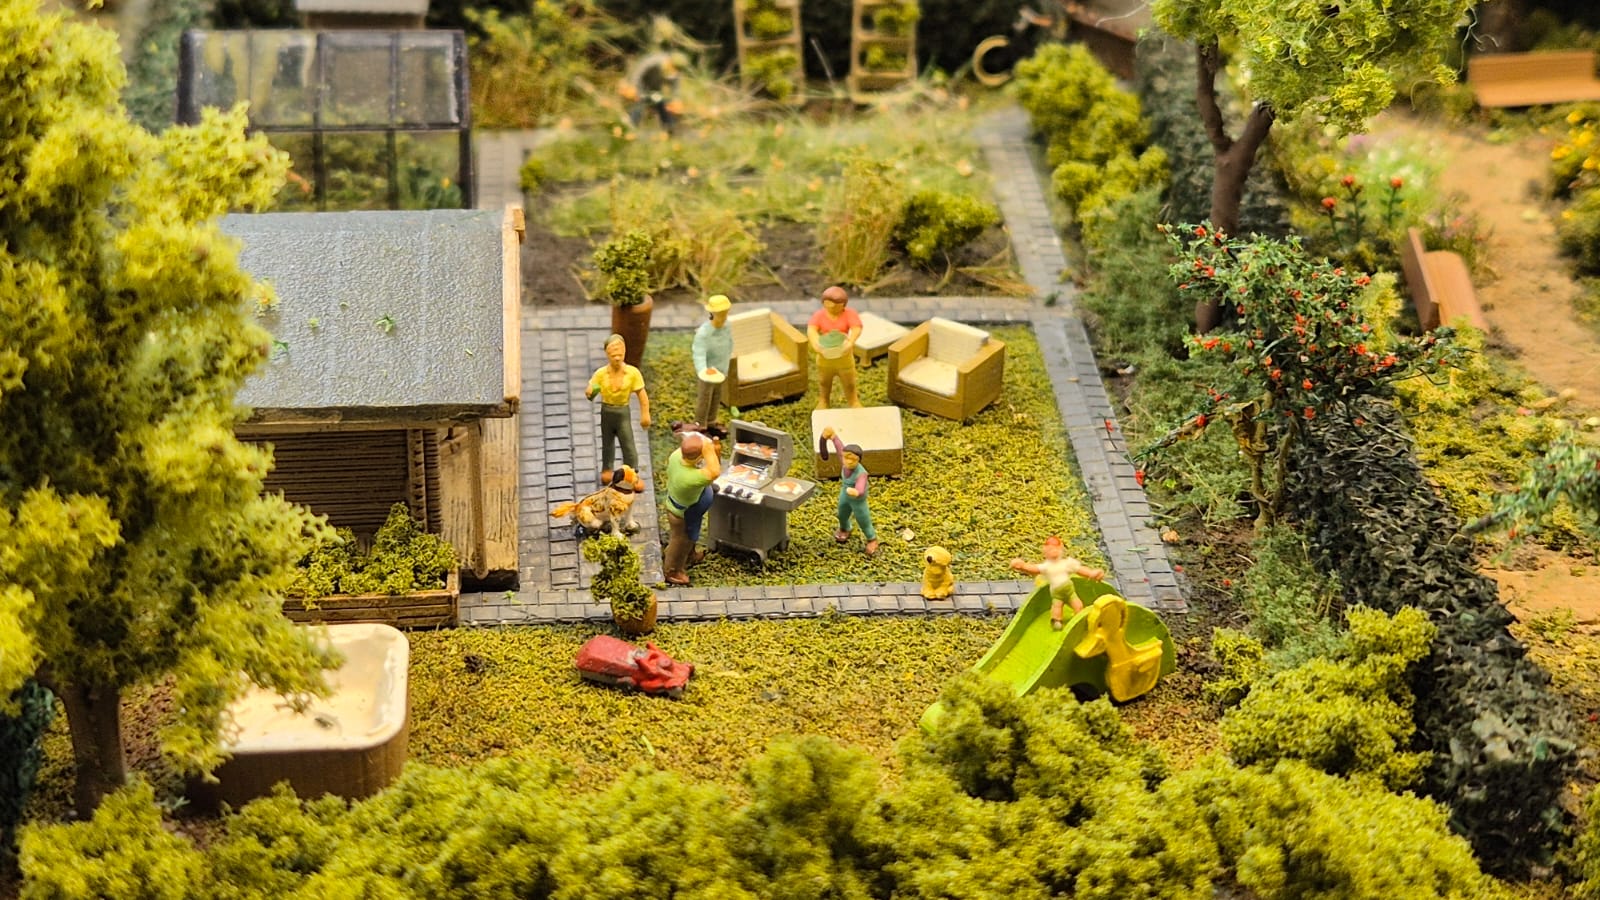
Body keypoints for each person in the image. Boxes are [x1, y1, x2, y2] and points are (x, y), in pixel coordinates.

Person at [585, 334, 651, 485]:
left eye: (620, 355)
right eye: (613, 355)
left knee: (628, 443)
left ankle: (632, 473)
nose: (616, 358)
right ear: (607, 354)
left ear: (625, 352)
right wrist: (589, 391)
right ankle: (607, 469)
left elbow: (642, 395)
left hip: (622, 413)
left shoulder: (633, 373)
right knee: (607, 443)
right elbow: (590, 391)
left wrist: (645, 414)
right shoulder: (601, 374)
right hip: (606, 412)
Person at [662, 431, 721, 586]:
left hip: (693, 509)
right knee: (680, 541)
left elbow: (690, 447)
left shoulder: (676, 456)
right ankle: (672, 570)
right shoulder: (688, 477)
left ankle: (690, 555)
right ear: (698, 457)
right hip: (682, 514)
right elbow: (714, 471)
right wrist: (708, 450)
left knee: (691, 536)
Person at [1009, 536, 1105, 630]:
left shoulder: (1066, 563)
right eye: (1051, 549)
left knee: (1078, 605)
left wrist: (1091, 573)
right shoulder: (1046, 566)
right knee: (1057, 608)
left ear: (1061, 549)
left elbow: (1079, 570)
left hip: (1070, 592)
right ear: (1045, 551)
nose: (1054, 552)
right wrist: (1022, 566)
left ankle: (1078, 622)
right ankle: (1056, 621)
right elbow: (1033, 569)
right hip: (1057, 594)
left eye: (1056, 549)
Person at [820, 426, 878, 557]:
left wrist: (856, 492)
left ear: (858, 460)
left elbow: (861, 486)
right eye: (846, 458)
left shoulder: (861, 473)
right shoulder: (844, 462)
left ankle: (872, 539)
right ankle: (845, 528)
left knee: (863, 519)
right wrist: (833, 436)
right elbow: (839, 448)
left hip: (857, 500)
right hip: (845, 495)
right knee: (842, 513)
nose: (848, 461)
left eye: (852, 459)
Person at [807, 285, 863, 409]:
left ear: (843, 304)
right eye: (828, 303)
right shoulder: (819, 315)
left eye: (836, 304)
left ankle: (853, 401)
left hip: (844, 355)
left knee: (849, 382)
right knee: (824, 381)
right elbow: (811, 329)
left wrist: (850, 342)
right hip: (825, 355)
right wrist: (816, 344)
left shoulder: (849, 314)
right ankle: (824, 401)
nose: (832, 307)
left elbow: (856, 328)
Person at [692, 294, 734, 430]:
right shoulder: (704, 332)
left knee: (717, 396)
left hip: (721, 369)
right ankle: (700, 424)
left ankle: (711, 421)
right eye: (720, 313)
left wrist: (728, 360)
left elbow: (729, 343)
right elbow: (698, 353)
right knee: (705, 398)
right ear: (712, 313)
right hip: (708, 372)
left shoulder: (727, 326)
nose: (724, 316)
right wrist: (703, 370)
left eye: (725, 313)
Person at [618, 51, 686, 135]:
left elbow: (675, 87)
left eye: (676, 70)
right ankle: (631, 123)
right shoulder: (655, 60)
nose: (673, 71)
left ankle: (669, 128)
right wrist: (632, 86)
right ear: (669, 61)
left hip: (655, 86)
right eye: (672, 67)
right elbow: (639, 71)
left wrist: (676, 100)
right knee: (641, 99)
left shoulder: (676, 73)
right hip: (641, 82)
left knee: (661, 102)